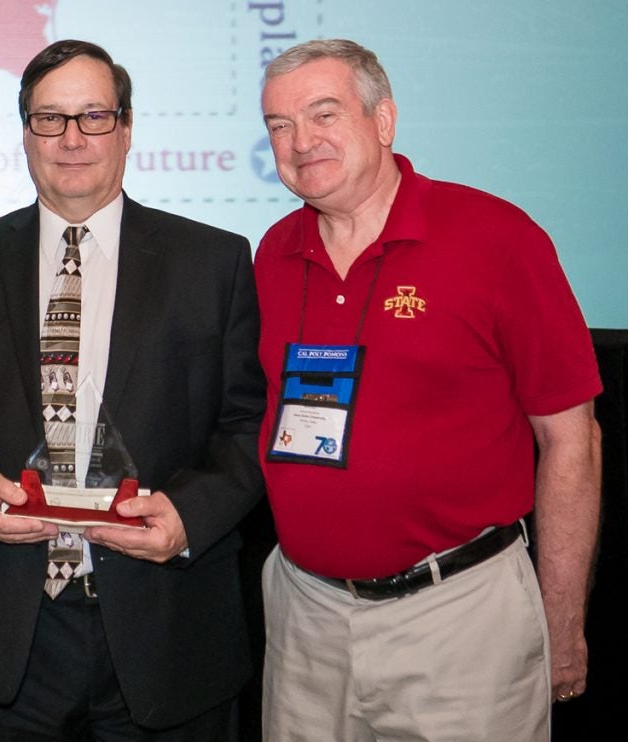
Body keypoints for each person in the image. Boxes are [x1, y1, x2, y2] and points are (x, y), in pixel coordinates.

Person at [0, 39, 266, 741]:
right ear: (26, 132)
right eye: (50, 119)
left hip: (168, 627)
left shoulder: (212, 261)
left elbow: (248, 422)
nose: (72, 139)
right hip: (17, 636)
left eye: (94, 116)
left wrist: (190, 515)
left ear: (126, 129)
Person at [254, 38, 603, 741]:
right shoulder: (274, 252)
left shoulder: (496, 239)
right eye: (280, 126)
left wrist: (561, 623)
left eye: (324, 114)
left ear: (384, 120)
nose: (301, 142)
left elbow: (572, 441)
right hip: (305, 620)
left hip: (458, 621)